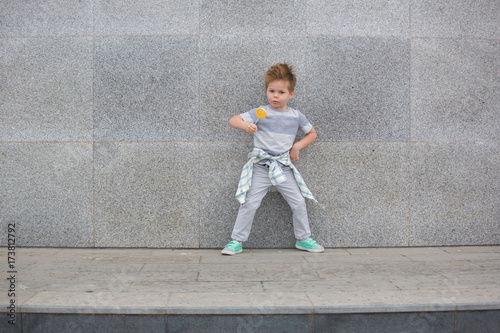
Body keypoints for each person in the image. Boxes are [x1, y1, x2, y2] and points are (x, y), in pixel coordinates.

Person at [221, 63, 324, 255]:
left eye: (281, 92)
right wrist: (245, 126)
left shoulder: (296, 116)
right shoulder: (261, 112)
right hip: (261, 167)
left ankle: (303, 238)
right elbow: (233, 119)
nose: (275, 96)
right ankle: (236, 241)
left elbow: (312, 133)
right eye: (271, 91)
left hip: (283, 167)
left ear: (291, 94)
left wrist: (297, 146)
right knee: (250, 203)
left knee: (299, 202)